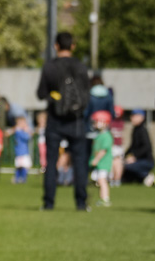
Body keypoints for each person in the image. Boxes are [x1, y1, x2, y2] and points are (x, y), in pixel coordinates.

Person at [37, 32, 91, 210]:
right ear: (73, 46)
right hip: (76, 120)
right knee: (80, 162)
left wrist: (55, 98)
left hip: (55, 119)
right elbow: (86, 95)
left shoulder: (50, 67)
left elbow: (40, 93)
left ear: (56, 45)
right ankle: (81, 203)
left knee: (51, 161)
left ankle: (48, 203)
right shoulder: (81, 67)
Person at [120, 110, 154, 186]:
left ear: (141, 117)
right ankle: (143, 178)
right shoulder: (136, 129)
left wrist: (134, 156)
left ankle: (146, 175)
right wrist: (124, 155)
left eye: (134, 116)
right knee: (125, 174)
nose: (132, 118)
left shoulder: (142, 130)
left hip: (146, 161)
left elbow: (146, 147)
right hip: (139, 159)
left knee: (127, 166)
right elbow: (132, 146)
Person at [89, 110, 113, 206]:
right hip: (100, 164)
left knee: (102, 180)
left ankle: (105, 199)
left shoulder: (106, 136)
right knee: (98, 181)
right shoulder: (99, 136)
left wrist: (96, 159)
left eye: (95, 121)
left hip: (103, 163)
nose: (94, 124)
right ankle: (102, 198)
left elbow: (104, 150)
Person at [12, 114, 32, 184]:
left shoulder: (19, 131)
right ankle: (19, 178)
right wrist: (27, 131)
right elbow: (27, 137)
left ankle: (21, 178)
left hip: (23, 152)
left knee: (24, 166)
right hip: (21, 152)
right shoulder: (19, 131)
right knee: (21, 166)